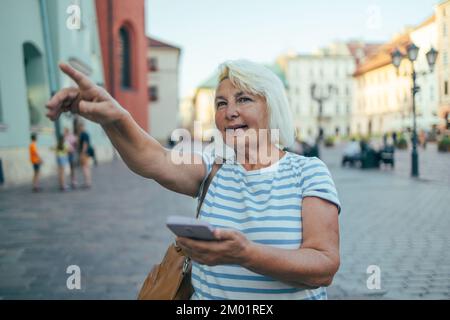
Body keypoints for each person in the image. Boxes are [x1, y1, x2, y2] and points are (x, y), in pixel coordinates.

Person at [46, 60, 341, 300]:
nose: (230, 112)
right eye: (221, 103)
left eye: (244, 99)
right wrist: (114, 117)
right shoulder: (213, 165)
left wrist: (245, 254)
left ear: (272, 107)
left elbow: (323, 265)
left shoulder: (307, 171)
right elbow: (155, 160)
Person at [77, 122, 92, 188]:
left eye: (79, 127)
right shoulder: (86, 133)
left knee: (85, 168)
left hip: (84, 153)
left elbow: (85, 144)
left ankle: (87, 182)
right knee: (86, 167)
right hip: (86, 153)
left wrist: (82, 153)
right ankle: (88, 182)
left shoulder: (83, 134)